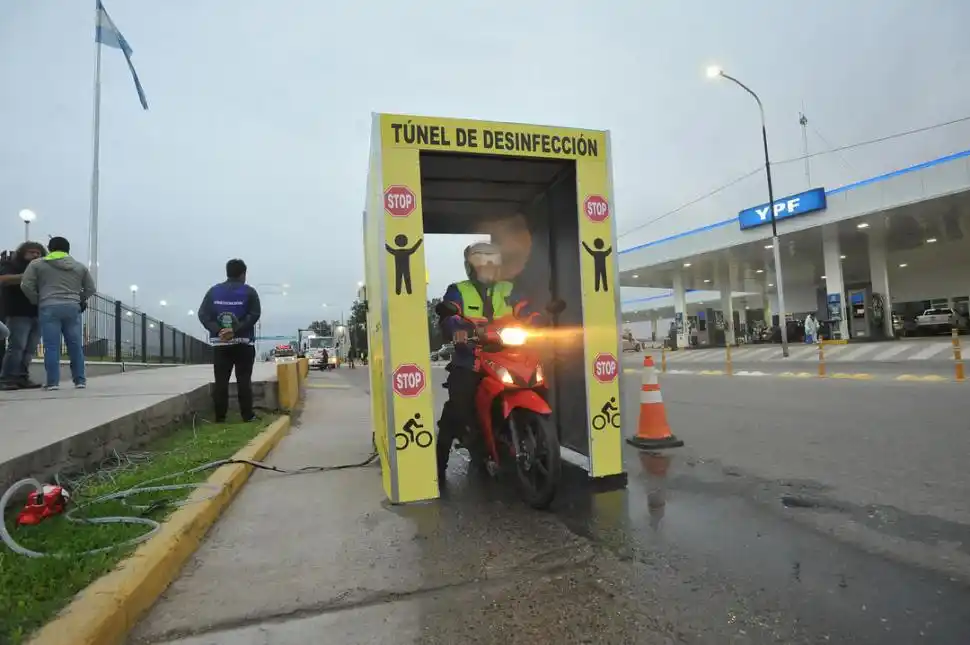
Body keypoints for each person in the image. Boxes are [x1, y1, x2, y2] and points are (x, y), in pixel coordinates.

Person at [436, 242, 544, 474]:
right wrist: (457, 328)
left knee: (540, 383)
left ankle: (529, 437)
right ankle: (439, 465)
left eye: (492, 263)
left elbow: (526, 310)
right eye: (482, 263)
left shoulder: (508, 289)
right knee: (458, 406)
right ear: (470, 267)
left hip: (509, 354)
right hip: (471, 358)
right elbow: (448, 316)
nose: (488, 267)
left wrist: (538, 321)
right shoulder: (458, 290)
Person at [20, 238, 93, 391]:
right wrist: (78, 298)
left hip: (48, 306)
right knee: (75, 345)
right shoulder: (79, 267)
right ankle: (80, 380)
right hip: (72, 307)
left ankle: (53, 382)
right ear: (68, 249)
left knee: (51, 346)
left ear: (49, 248)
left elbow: (26, 285)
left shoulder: (37, 264)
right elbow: (91, 289)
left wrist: (37, 299)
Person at [198, 258, 262, 422]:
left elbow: (203, 315)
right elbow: (254, 314)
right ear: (243, 274)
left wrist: (218, 330)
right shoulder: (249, 292)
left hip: (221, 345)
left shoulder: (213, 292)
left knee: (221, 382)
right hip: (243, 343)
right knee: (244, 381)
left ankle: (220, 417)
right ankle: (247, 416)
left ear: (227, 273)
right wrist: (235, 329)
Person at [0, 242, 46, 390]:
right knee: (16, 347)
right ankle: (7, 378)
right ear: (22, 253)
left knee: (30, 348)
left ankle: (22, 377)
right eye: (31, 252)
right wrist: (28, 276)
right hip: (17, 312)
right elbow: (4, 279)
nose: (35, 255)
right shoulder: (11, 265)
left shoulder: (42, 269)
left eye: (38, 253)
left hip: (37, 313)